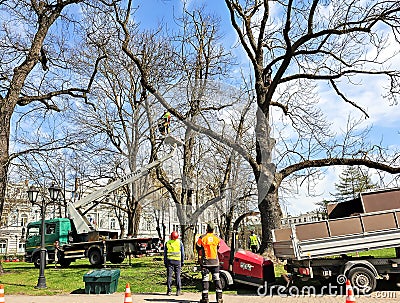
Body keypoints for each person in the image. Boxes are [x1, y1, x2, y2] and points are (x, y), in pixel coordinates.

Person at [196, 222, 223, 303]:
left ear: (206, 229)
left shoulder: (202, 238)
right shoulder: (217, 238)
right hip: (215, 262)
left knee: (205, 280)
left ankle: (205, 298)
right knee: (217, 279)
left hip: (206, 263)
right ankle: (219, 298)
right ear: (213, 229)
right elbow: (218, 247)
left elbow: (198, 247)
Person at [164, 231, 184, 296]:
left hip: (170, 261)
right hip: (178, 261)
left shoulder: (167, 243)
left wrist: (165, 262)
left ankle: (169, 291)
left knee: (169, 276)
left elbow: (165, 254)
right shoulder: (179, 243)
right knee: (177, 276)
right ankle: (178, 291)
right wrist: (182, 261)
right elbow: (182, 253)